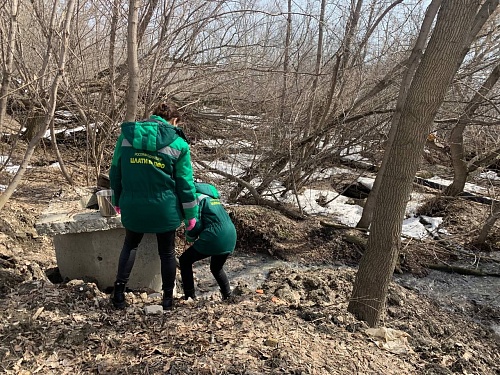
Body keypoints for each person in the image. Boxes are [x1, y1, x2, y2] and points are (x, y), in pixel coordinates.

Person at [109, 101, 198, 310]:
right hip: (164, 209)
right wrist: (191, 214)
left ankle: (119, 294)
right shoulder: (179, 144)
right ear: (174, 120)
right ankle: (167, 299)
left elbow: (115, 172)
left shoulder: (127, 137)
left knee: (130, 245)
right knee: (167, 252)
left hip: (133, 206)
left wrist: (117, 200)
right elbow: (186, 184)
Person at [179, 182, 237, 301]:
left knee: (184, 260)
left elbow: (195, 224)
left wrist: (189, 237)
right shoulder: (212, 198)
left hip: (214, 236)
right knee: (216, 267)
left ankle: (190, 296)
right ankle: (228, 296)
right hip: (231, 235)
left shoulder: (196, 198)